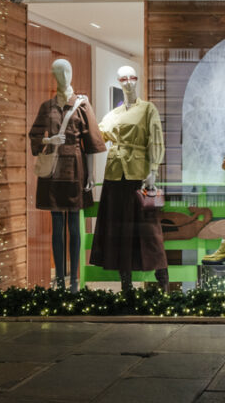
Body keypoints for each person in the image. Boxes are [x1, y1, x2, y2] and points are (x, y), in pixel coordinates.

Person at [89, 65, 168, 292]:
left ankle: (162, 278)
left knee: (149, 229)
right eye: (123, 79)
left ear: (137, 79)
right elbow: (97, 136)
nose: (128, 82)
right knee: (118, 229)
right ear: (119, 82)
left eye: (132, 77)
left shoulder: (148, 109)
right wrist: (84, 109)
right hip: (115, 176)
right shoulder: (113, 114)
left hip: (139, 175)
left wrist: (153, 170)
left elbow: (155, 139)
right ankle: (126, 283)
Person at [28, 58, 103, 292]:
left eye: (66, 71)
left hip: (75, 169)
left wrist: (91, 174)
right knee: (57, 224)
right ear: (53, 75)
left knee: (74, 225)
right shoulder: (47, 106)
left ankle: (75, 280)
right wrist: (49, 140)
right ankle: (60, 279)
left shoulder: (82, 105)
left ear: (72, 73)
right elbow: (34, 136)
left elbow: (91, 142)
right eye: (58, 72)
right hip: (53, 170)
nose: (63, 76)